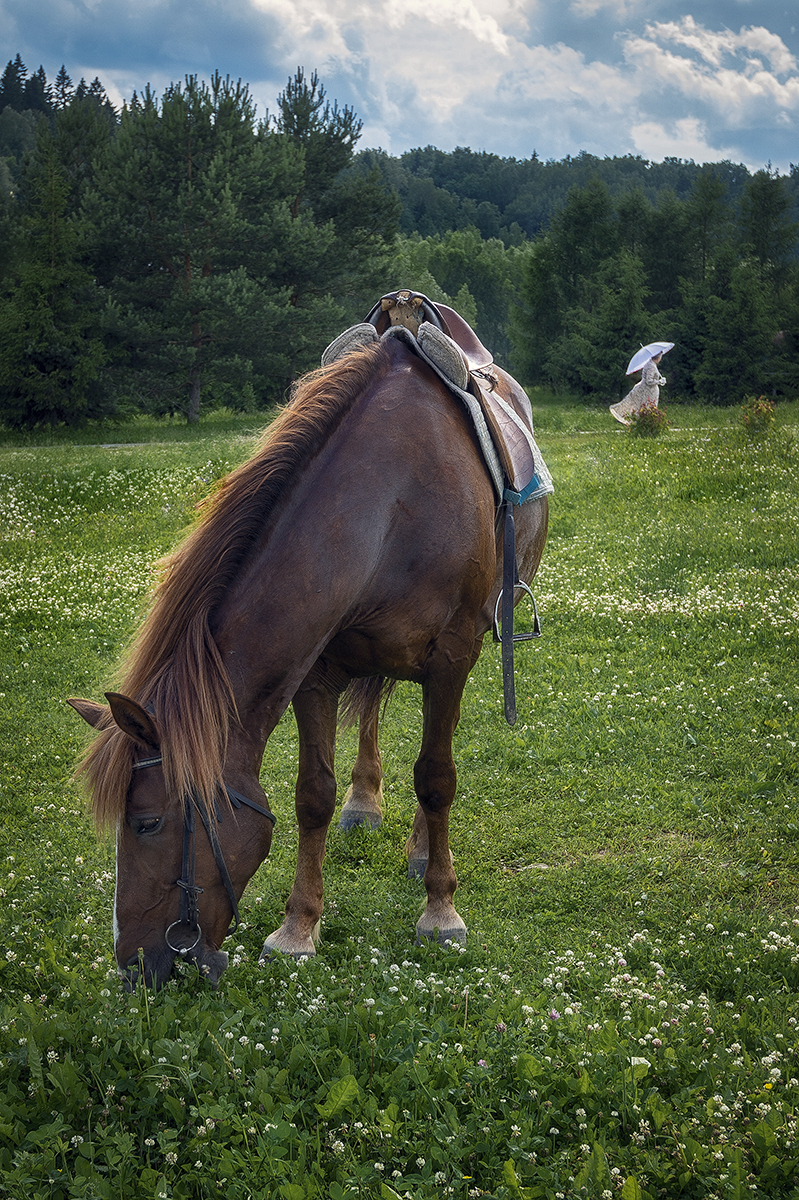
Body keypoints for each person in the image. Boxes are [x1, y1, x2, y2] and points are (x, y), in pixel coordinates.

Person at [609, 353, 666, 425]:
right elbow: (649, 381)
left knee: (643, 405)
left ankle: (645, 421)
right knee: (645, 405)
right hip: (648, 390)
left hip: (648, 389)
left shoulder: (651, 364)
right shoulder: (651, 366)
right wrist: (659, 381)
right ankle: (643, 421)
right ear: (658, 358)